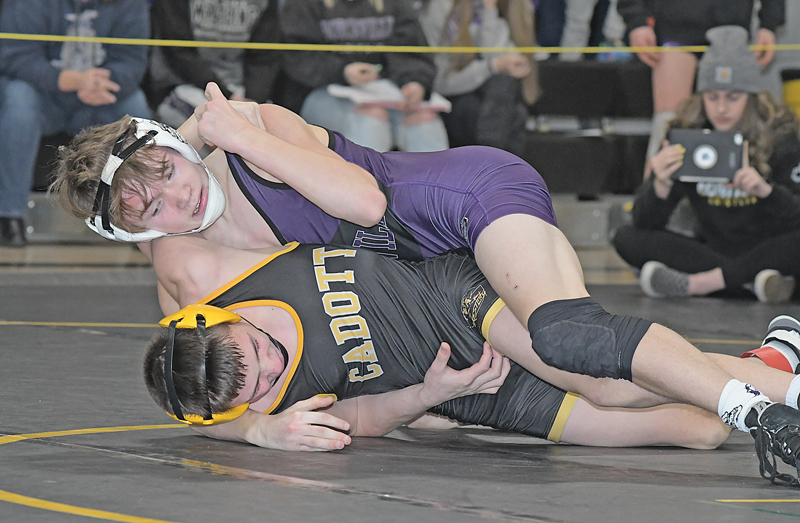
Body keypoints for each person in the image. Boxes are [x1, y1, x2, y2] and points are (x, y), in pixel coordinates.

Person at [51, 81, 800, 474]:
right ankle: (772, 366)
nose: (177, 200)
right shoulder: (186, 269)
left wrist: (228, 131)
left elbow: (365, 204)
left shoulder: (249, 133)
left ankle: (772, 401)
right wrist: (259, 430)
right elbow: (197, 384)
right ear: (135, 233)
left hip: (459, 203)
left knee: (573, 341)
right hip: (427, 275)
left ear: (173, 144)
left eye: (167, 173)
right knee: (624, 388)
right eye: (150, 209)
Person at [141, 232, 800, 486]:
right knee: (701, 431)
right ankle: (774, 357)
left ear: (217, 314)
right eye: (257, 385)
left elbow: (162, 205)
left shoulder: (221, 272)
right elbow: (363, 418)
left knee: (606, 382)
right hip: (471, 389)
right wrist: (428, 396)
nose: (271, 364)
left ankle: (782, 386)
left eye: (256, 347)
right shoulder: (268, 412)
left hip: (456, 297)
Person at [612, 26, 800, 303]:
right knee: (626, 237)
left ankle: (701, 283)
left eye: (733, 97)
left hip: (769, 245)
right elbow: (645, 223)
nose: (721, 109)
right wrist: (659, 186)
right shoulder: (688, 133)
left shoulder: (782, 135)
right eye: (712, 97)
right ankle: (754, 282)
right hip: (713, 249)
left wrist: (766, 191)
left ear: (751, 97)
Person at [0, 0, 152, 247]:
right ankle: (8, 214)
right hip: (44, 95)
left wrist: (103, 80)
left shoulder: (130, 4)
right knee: (18, 100)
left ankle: (143, 215)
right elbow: (13, 55)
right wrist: (65, 80)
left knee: (135, 107)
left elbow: (133, 61)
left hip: (100, 94)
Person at [617, 0, 785, 162]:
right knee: (668, 123)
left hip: (731, 28)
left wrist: (769, 23)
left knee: (736, 118)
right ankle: (656, 179)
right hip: (674, 28)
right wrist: (636, 19)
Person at [278, 0, 449, 153]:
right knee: (371, 119)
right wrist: (342, 72)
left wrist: (416, 82)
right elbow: (296, 57)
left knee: (424, 119)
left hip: (386, 94)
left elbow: (412, 52)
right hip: (322, 94)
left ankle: (438, 180)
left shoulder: (395, 4)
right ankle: (364, 178)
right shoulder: (303, 4)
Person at [417, 0, 538, 156]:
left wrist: (489, 11)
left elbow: (501, 65)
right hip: (452, 100)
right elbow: (440, 82)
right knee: (511, 114)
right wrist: (491, 67)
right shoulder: (442, 5)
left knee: (512, 103)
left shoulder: (515, 5)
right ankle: (495, 163)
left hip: (493, 103)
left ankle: (491, 162)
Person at [145, 0, 283, 129]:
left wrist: (252, 100)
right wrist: (229, 96)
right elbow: (179, 54)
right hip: (183, 85)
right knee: (218, 125)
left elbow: (264, 57)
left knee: (269, 124)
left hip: (241, 89)